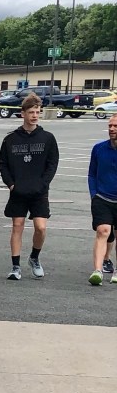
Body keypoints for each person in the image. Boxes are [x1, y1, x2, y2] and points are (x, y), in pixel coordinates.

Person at [0, 92, 59, 281]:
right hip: (19, 191)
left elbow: (52, 163)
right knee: (17, 225)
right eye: (31, 112)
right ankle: (15, 267)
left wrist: (43, 183)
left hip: (39, 191)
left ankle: (34, 258)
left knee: (41, 227)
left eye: (37, 112)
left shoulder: (48, 138)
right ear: (23, 113)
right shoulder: (10, 139)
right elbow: (3, 164)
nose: (34, 115)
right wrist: (11, 184)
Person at [87, 113, 117, 285]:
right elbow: (92, 173)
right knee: (103, 231)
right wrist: (94, 194)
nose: (112, 129)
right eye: (110, 126)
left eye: (115, 126)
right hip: (102, 198)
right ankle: (97, 270)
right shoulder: (98, 148)